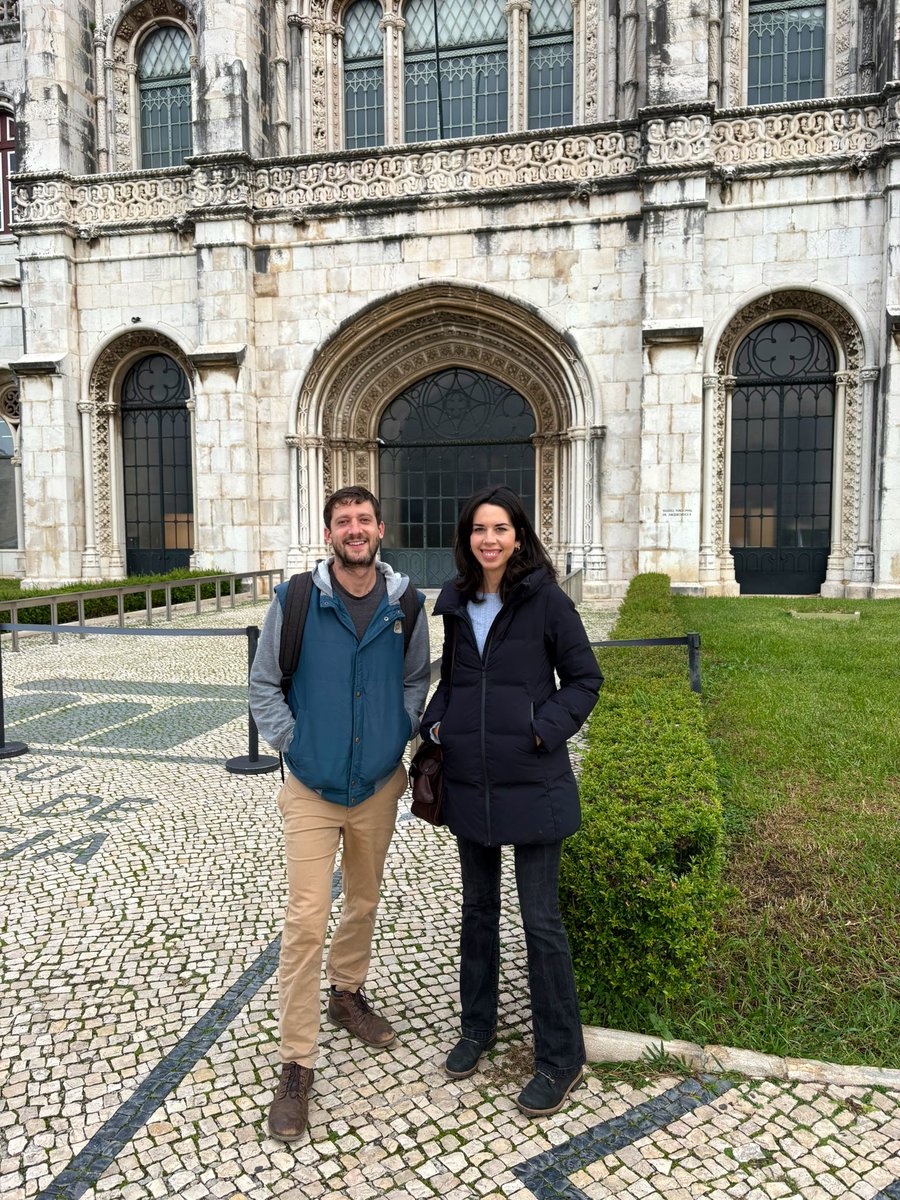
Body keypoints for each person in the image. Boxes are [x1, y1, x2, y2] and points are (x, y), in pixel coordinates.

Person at [249, 485, 431, 1142]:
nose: (354, 530)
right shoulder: (297, 599)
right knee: (304, 921)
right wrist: (294, 743)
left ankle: (347, 992)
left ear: (381, 528)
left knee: (363, 899)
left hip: (378, 783)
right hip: (311, 786)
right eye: (342, 521)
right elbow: (264, 683)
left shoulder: (407, 604)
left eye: (363, 520)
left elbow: (417, 679)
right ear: (330, 532)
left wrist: (398, 731)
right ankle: (297, 1063)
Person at [421, 485, 602, 1117]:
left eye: (500, 528)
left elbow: (584, 680)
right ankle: (477, 1028)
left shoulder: (547, 600)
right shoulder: (456, 603)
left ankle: (560, 1056)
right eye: (478, 530)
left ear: (518, 536)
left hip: (533, 780)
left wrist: (540, 729)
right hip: (471, 780)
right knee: (477, 911)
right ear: (467, 539)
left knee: (540, 921)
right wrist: (435, 723)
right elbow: (456, 675)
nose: (489, 539)